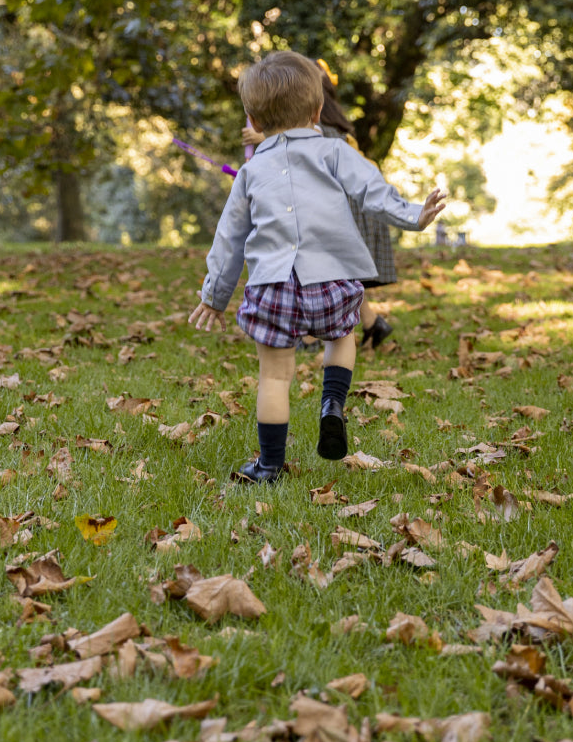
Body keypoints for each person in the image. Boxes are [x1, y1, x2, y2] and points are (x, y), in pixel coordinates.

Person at [189, 50, 446, 484]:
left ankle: (269, 466)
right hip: (333, 280)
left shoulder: (251, 171)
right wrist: (413, 216)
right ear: (318, 109)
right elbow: (372, 191)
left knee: (274, 376)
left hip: (272, 286)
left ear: (252, 117)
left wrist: (214, 296)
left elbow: (229, 237)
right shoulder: (334, 151)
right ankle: (332, 404)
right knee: (343, 337)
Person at [242, 61, 398, 349]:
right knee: (338, 275)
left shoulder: (321, 130)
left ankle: (314, 335)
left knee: (318, 267)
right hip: (350, 204)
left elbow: (303, 148)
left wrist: (263, 138)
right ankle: (372, 323)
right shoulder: (337, 124)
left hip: (343, 206)